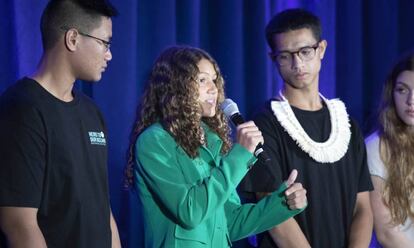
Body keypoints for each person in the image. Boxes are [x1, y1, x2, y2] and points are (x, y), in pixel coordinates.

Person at [124, 46, 308, 248]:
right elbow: (189, 212)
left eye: (214, 80)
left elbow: (230, 222)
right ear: (176, 86)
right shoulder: (154, 141)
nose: (214, 88)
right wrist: (241, 155)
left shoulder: (212, 142)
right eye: (202, 80)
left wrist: (283, 202)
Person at [239, 8, 373, 247]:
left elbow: (362, 205)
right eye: (286, 55)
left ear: (321, 49)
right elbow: (272, 212)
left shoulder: (346, 124)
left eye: (305, 51)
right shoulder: (264, 123)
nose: (297, 63)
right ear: (273, 59)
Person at [0, 0, 121, 247]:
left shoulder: (92, 112)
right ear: (73, 39)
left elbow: (103, 209)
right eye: (104, 42)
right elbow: (19, 223)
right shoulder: (22, 109)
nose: (109, 54)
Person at [366, 53, 414, 247]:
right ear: (391, 93)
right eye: (402, 90)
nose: (411, 100)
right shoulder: (375, 147)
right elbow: (386, 232)